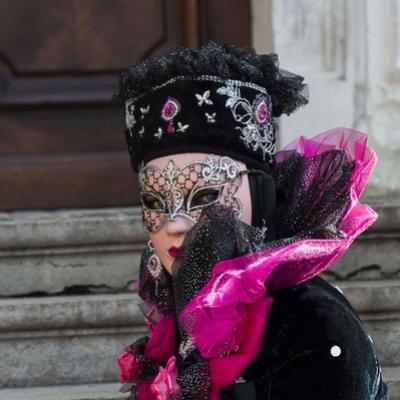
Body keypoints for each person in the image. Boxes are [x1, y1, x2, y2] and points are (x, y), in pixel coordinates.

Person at [116, 42, 389, 400]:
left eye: (205, 196)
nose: (176, 225)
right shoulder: (181, 318)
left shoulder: (310, 322)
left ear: (259, 196)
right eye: (155, 201)